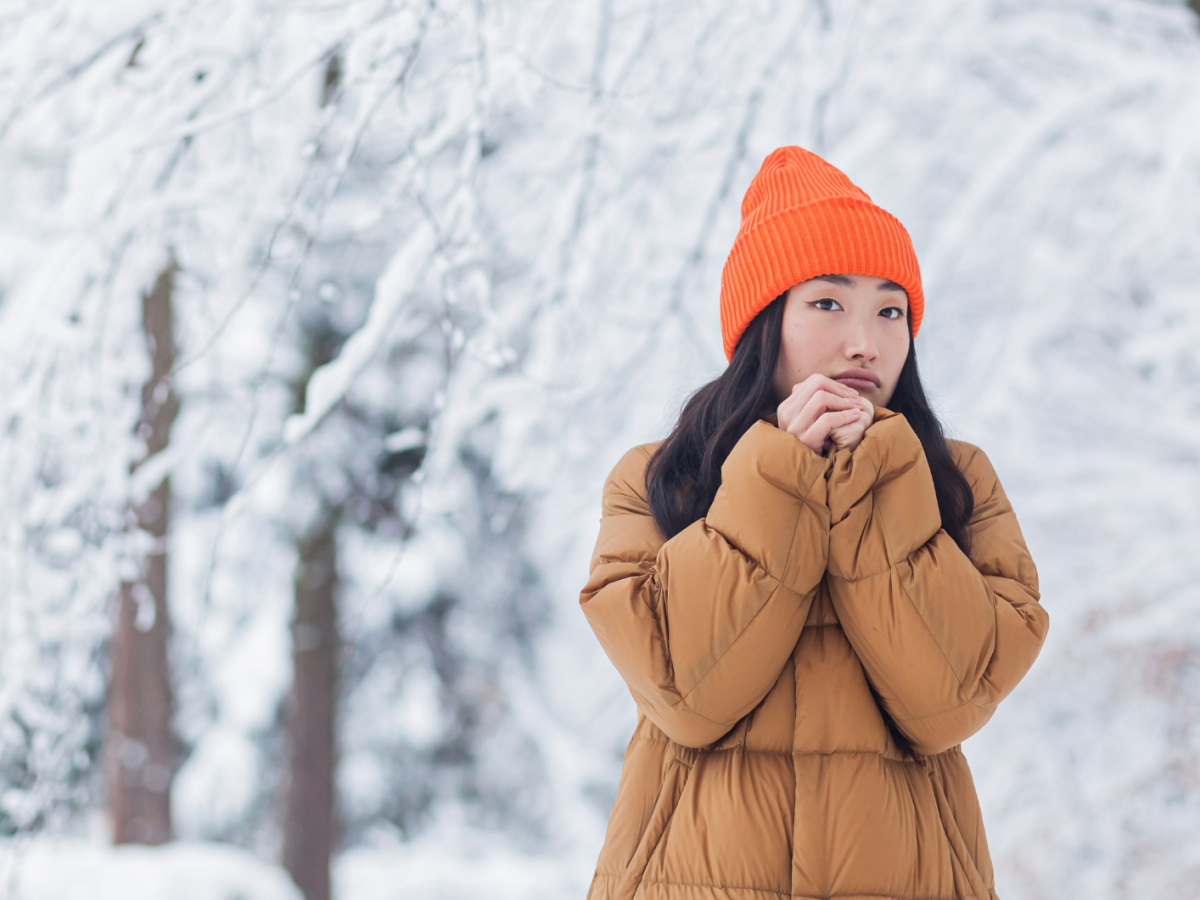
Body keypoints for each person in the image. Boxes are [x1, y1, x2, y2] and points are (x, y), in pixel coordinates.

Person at [579, 146, 1049, 900]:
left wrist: (886, 479)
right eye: (828, 303)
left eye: (890, 311)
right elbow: (685, 696)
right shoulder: (661, 478)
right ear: (764, 321)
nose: (864, 341)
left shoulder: (957, 485)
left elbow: (948, 703)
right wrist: (776, 477)